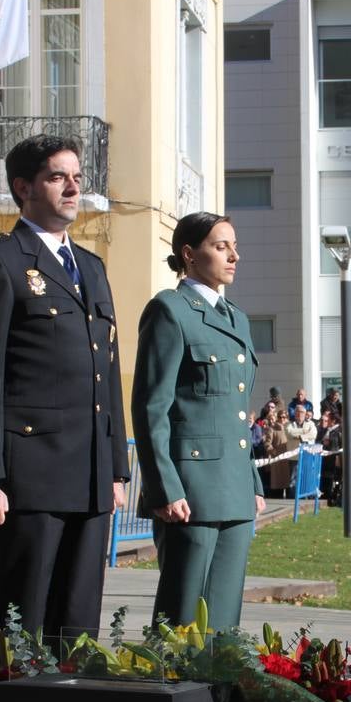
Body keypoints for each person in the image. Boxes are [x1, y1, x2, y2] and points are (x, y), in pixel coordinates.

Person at [0, 133, 128, 653]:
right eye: (57, 177)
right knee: (21, 611)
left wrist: (116, 467)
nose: (72, 187)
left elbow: (107, 375)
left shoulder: (92, 267)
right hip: (29, 471)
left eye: (77, 177)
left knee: (78, 617)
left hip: (90, 472)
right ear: (22, 187)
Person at [132, 212, 265, 631]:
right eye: (221, 246)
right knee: (184, 614)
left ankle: (218, 695)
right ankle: (170, 693)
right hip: (190, 491)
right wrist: (164, 487)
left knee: (223, 619)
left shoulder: (236, 317)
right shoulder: (170, 311)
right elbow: (152, 407)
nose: (234, 256)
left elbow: (236, 413)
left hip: (235, 487)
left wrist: (254, 483)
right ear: (189, 254)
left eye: (234, 246)